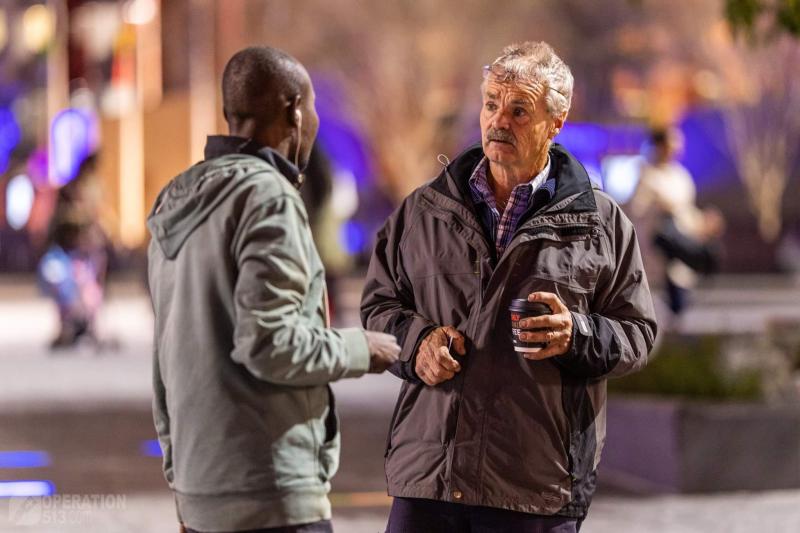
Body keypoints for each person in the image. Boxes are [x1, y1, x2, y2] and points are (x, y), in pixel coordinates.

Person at [361, 41, 657, 532]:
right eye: (491, 104)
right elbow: (378, 306)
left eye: (519, 110)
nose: (499, 121)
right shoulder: (423, 211)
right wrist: (417, 344)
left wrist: (578, 334)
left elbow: (638, 333)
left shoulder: (600, 223)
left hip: (534, 486)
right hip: (429, 481)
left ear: (555, 122)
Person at [147, 46, 401, 533]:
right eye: (314, 108)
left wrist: (183, 486)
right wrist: (360, 348)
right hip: (273, 492)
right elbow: (269, 342)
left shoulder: (174, 200)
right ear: (295, 111)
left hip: (201, 496)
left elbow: (165, 362)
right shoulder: (267, 196)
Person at [629, 126, 724, 318]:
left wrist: (704, 222)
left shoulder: (680, 176)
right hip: (659, 249)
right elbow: (637, 211)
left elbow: (686, 211)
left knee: (681, 302)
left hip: (682, 245)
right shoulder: (648, 175)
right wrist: (660, 207)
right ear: (659, 145)